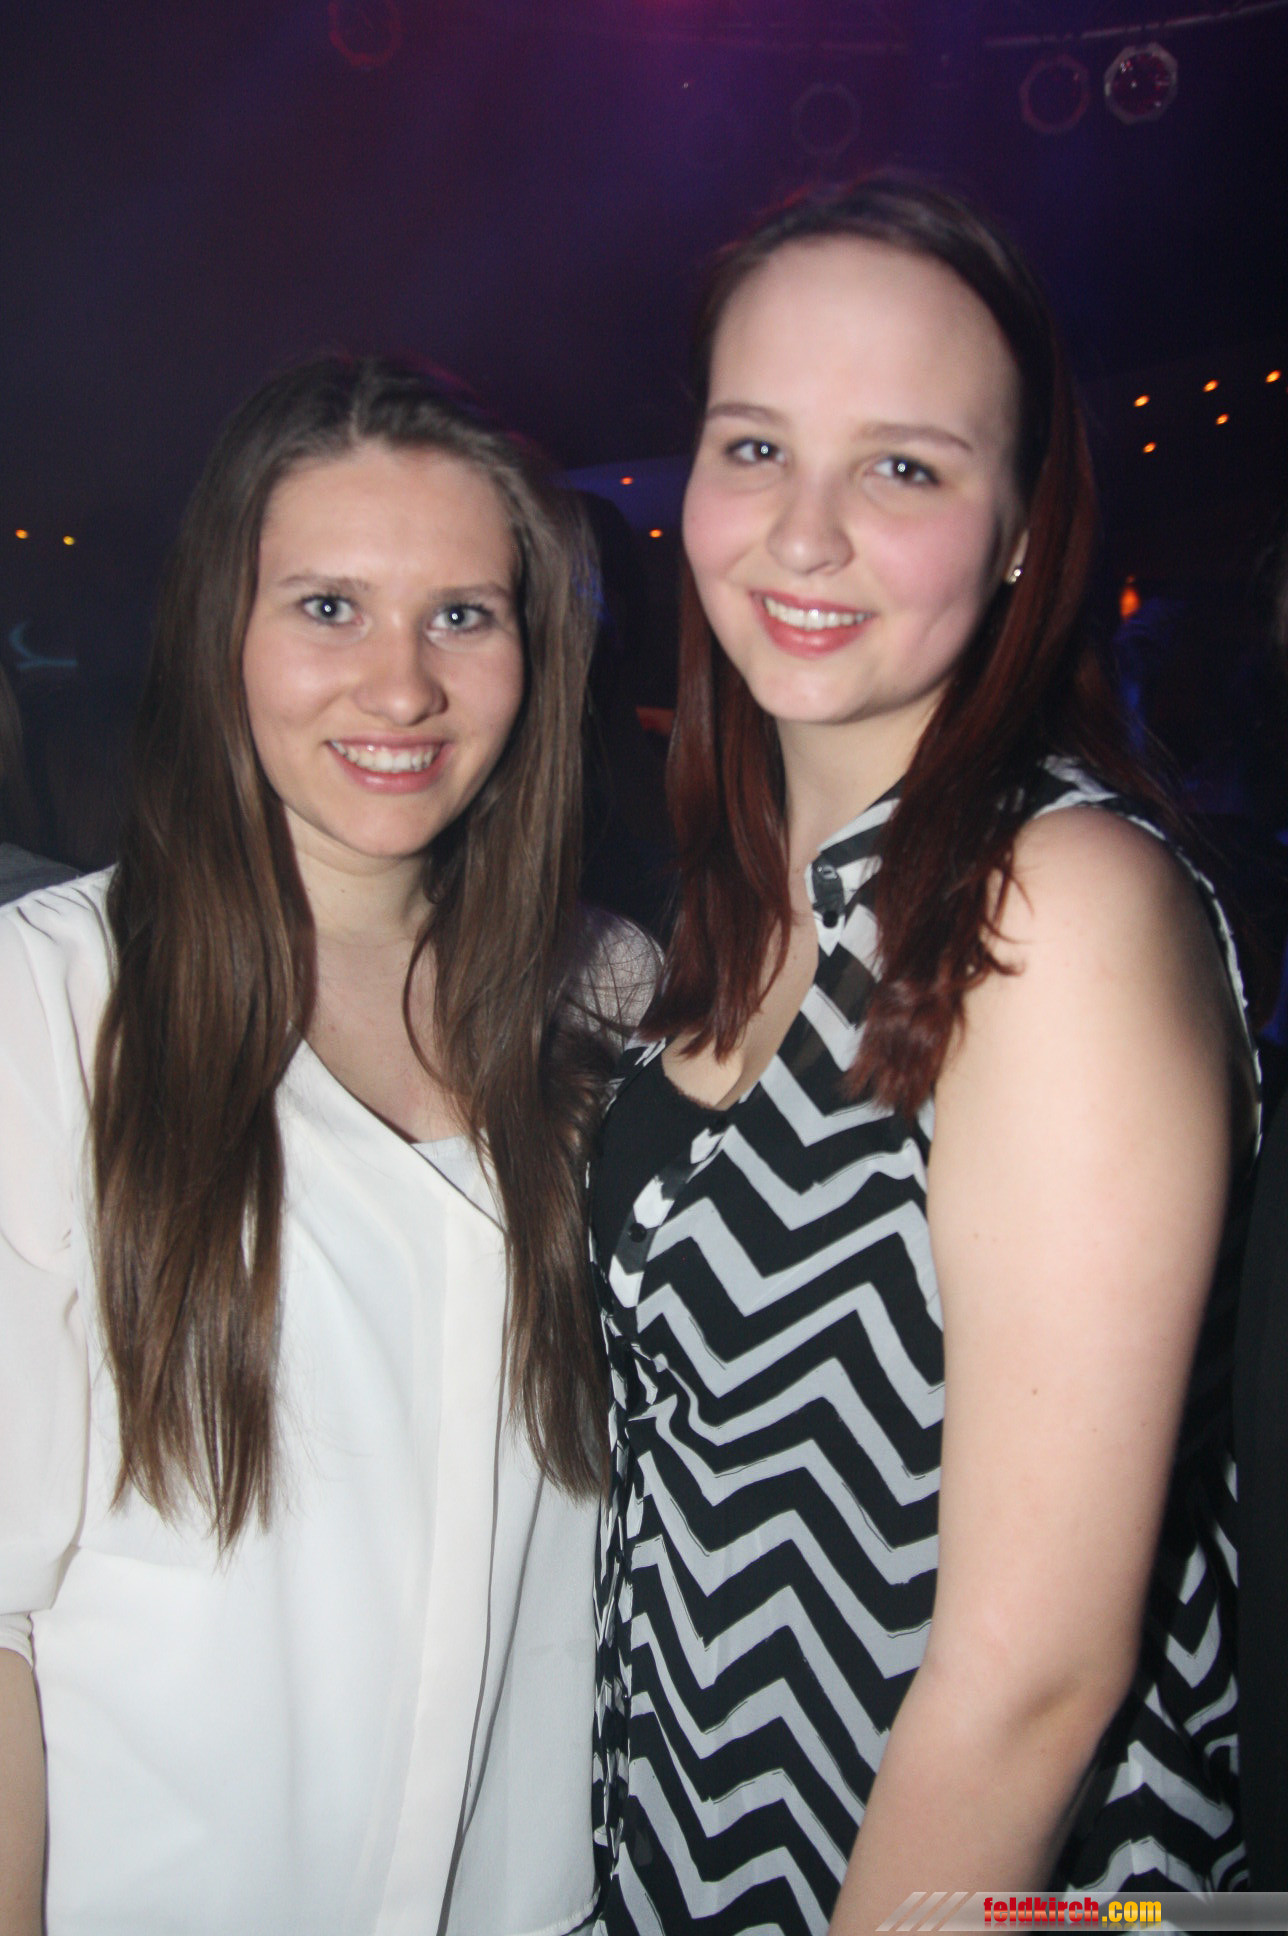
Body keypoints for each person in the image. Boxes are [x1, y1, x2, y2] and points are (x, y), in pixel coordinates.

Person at [588, 180, 1257, 1933]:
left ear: (1025, 529)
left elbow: (1036, 1682)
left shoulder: (1055, 905)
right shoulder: (747, 905)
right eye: (755, 446)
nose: (802, 535)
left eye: (902, 466)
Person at [0, 355, 651, 1935]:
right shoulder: (51, 1007)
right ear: (221, 627)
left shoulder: (619, 1001)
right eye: (329, 607)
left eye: (462, 613)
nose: (401, 687)